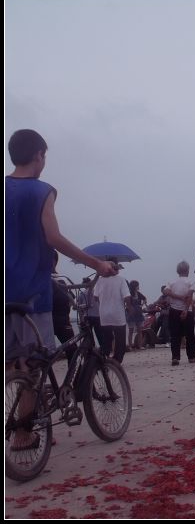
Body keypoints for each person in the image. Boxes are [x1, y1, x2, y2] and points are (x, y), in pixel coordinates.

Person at [6, 129, 115, 451]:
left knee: (11, 362)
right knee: (34, 365)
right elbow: (53, 237)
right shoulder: (42, 191)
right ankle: (23, 435)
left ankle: (20, 410)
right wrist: (96, 264)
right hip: (31, 291)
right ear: (38, 155)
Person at [93, 258, 131, 363]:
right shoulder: (121, 280)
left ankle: (104, 358)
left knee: (106, 339)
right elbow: (127, 296)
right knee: (120, 339)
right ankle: (117, 361)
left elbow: (95, 297)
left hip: (104, 315)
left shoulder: (100, 280)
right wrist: (129, 307)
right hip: (117, 314)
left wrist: (104, 301)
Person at [165, 261, 195, 366]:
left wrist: (178, 297)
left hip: (173, 310)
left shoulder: (171, 281)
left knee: (175, 335)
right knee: (190, 334)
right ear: (188, 270)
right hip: (187, 311)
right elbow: (189, 296)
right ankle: (191, 357)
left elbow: (166, 292)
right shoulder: (191, 281)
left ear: (177, 271)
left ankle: (175, 357)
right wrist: (185, 309)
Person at [126, 280, 147, 351]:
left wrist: (142, 305)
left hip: (139, 313)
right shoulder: (129, 294)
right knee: (131, 331)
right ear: (134, 286)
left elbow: (145, 298)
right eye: (137, 285)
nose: (138, 287)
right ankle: (130, 346)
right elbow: (126, 303)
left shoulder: (138, 293)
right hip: (131, 314)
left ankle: (140, 346)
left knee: (139, 330)